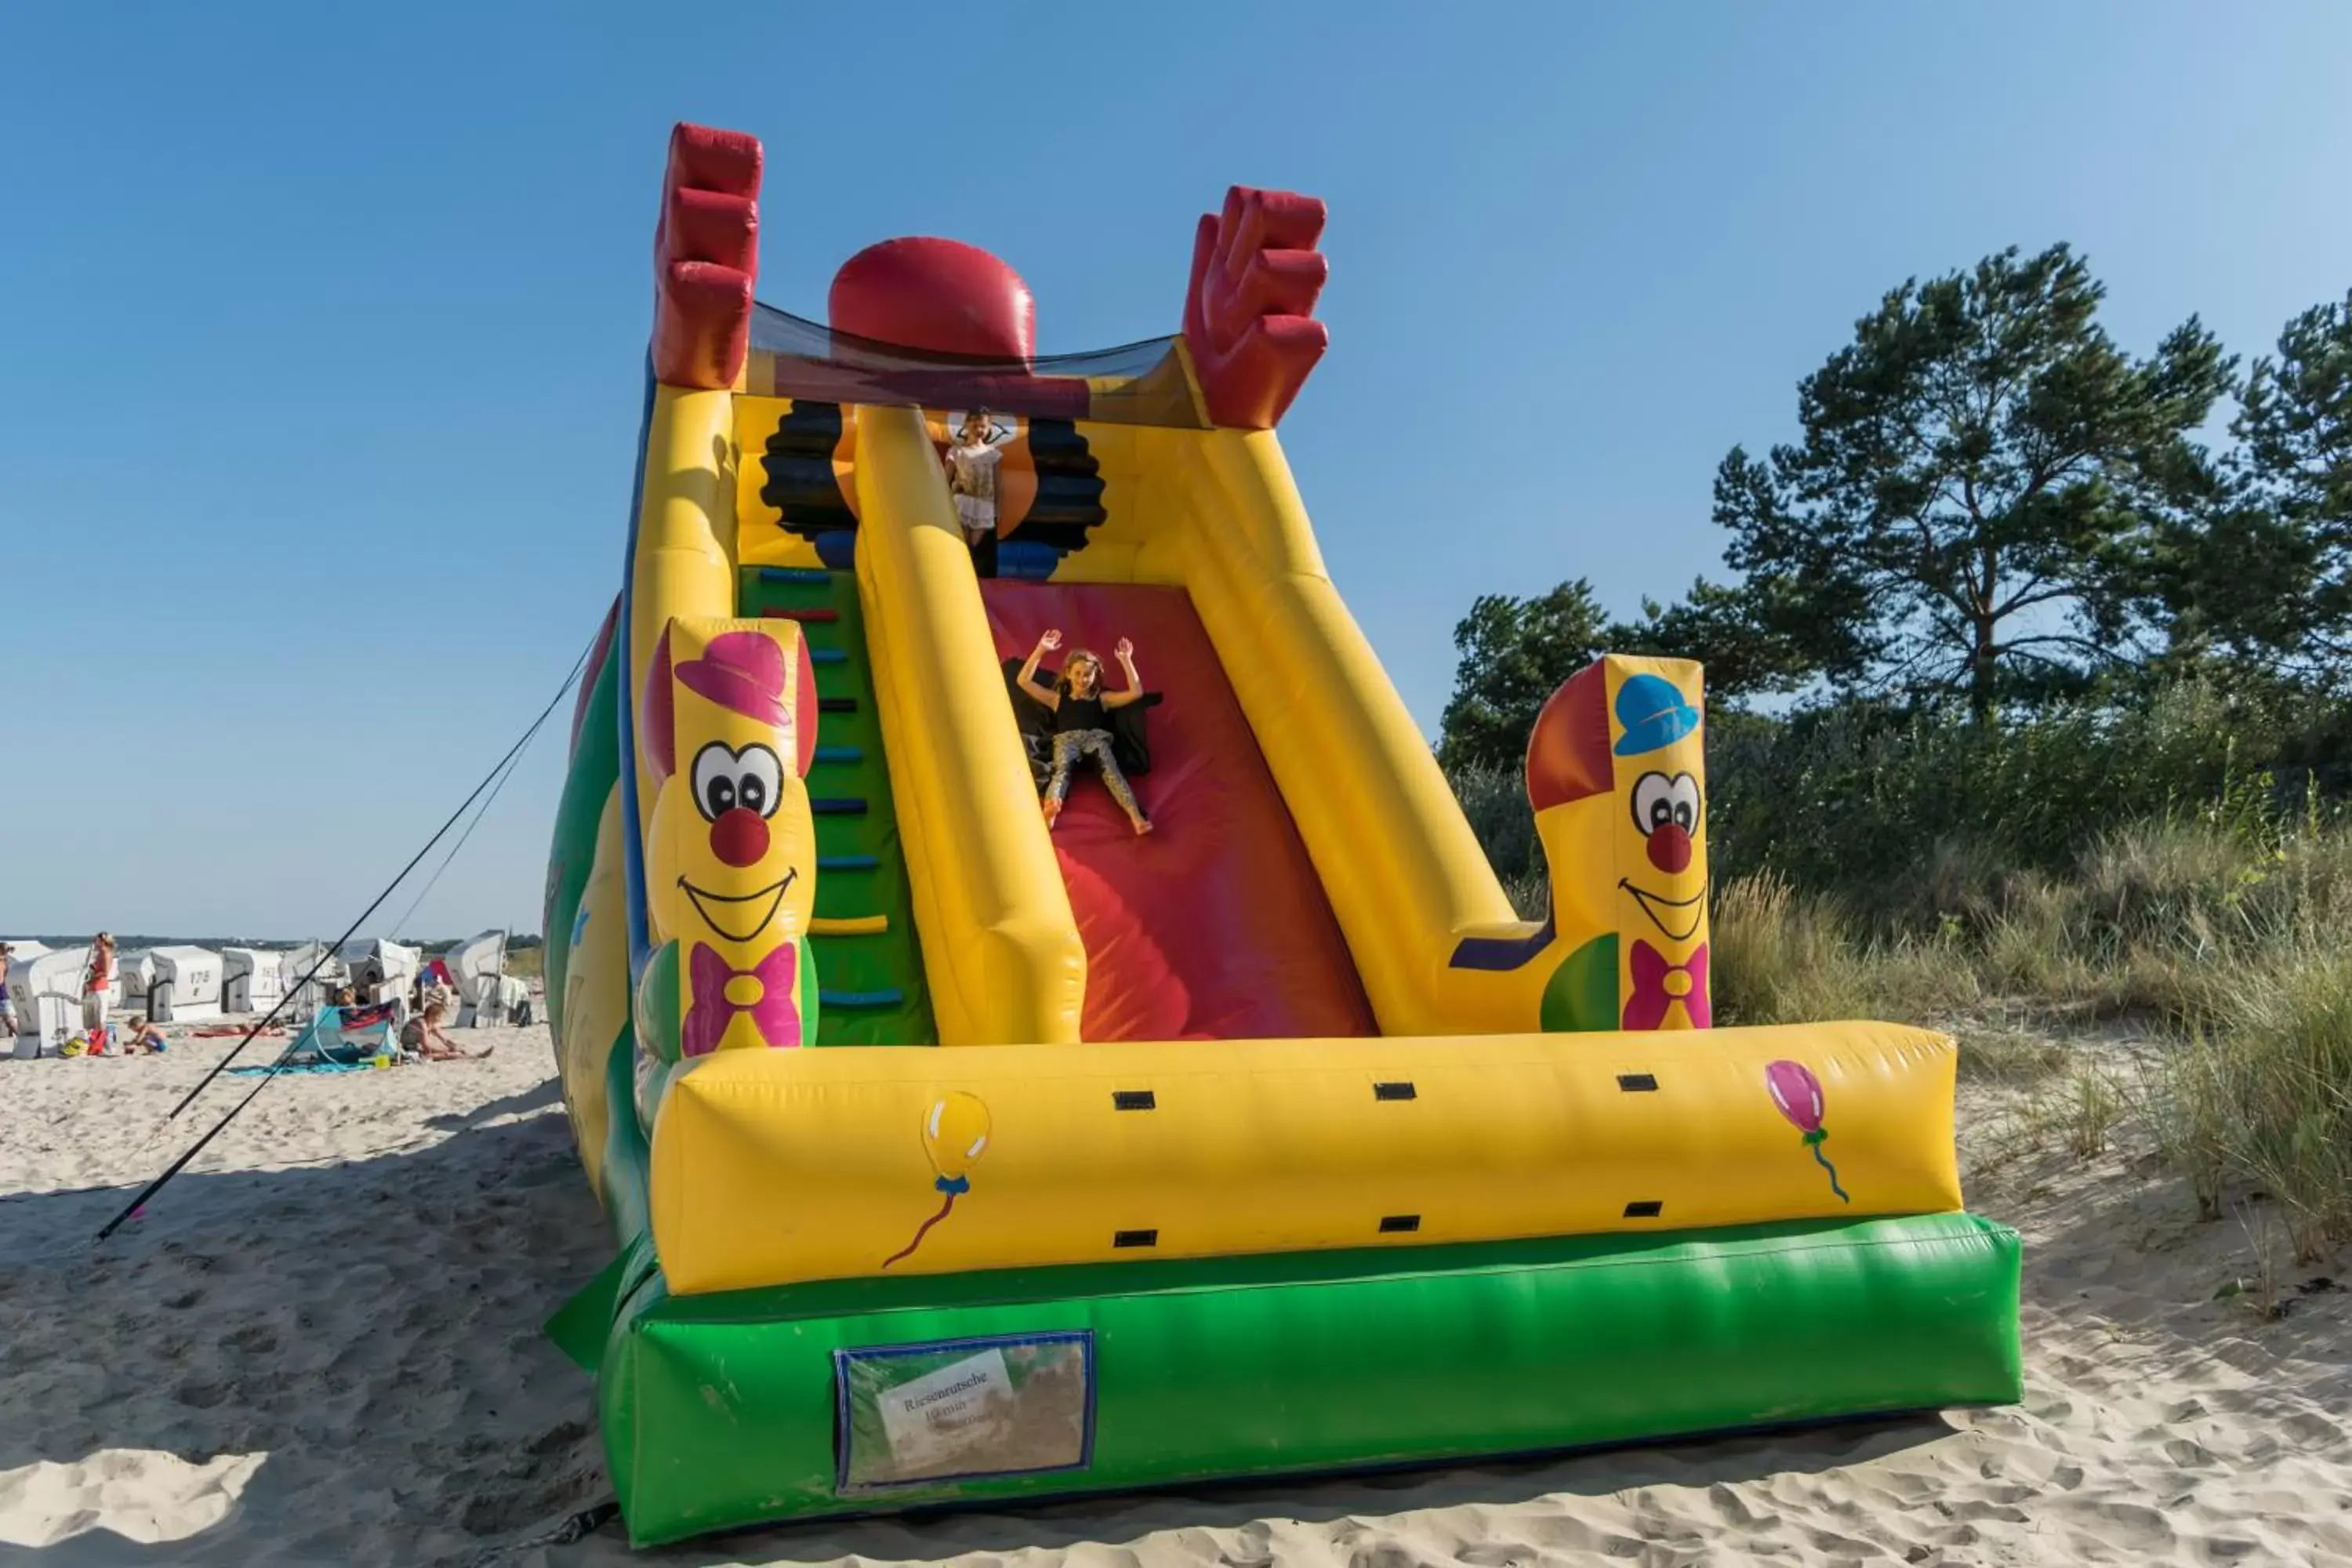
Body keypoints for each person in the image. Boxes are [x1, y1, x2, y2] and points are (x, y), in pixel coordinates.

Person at [1015, 630, 1153, 834]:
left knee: (1112, 771)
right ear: (1069, 674)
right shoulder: (1057, 700)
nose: (1082, 679)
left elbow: (1136, 693)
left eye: (1088, 674)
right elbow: (1023, 681)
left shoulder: (1103, 699)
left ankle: (1136, 817)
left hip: (1095, 740)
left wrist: (1126, 660)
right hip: (1067, 740)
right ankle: (1051, 811)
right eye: (1078, 673)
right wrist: (1041, 650)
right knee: (1061, 771)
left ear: (1095, 675)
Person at [944, 410, 1016, 576]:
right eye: (975, 425)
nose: (979, 430)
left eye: (983, 426)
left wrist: (998, 507)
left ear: (989, 427)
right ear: (967, 425)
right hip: (962, 502)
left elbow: (998, 484)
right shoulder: (957, 451)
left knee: (978, 545)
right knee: (962, 543)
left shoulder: (992, 454)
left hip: (984, 504)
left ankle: (974, 577)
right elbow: (945, 479)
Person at [401, 1000, 492, 1062]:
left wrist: (455, 1046)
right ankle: (474, 1057)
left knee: (455, 1048)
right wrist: (448, 1049)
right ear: (433, 1015)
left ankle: (473, 1054)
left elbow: (445, 1040)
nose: (441, 1018)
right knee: (446, 1054)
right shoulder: (421, 1024)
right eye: (439, 1016)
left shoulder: (430, 1023)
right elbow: (427, 1047)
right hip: (409, 1050)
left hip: (418, 1048)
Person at [83, 933, 114, 1054]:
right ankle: (95, 1045)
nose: (95, 942)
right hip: (92, 988)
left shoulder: (105, 954)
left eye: (97, 940)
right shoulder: (98, 954)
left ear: (102, 941)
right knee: (90, 1019)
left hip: (100, 989)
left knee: (100, 1019)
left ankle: (104, 1046)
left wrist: (91, 978)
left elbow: (105, 972)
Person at [0, 943, 17, 1044]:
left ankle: (20, 1036)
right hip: (4, 993)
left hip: (3, 993)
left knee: (9, 1020)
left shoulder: (3, 961)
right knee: (9, 1020)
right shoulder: (5, 960)